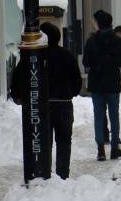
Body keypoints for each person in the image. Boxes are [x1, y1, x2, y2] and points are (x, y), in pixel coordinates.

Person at [11, 22, 83, 178]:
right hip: (63, 104)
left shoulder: (33, 56)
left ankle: (45, 173)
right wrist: (70, 92)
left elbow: (18, 78)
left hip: (41, 105)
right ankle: (63, 175)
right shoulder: (67, 55)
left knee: (44, 141)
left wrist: (18, 95)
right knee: (64, 141)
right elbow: (77, 80)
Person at [82, 10, 121, 161]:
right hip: (113, 83)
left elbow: (85, 62)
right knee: (114, 116)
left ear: (98, 24)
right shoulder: (118, 41)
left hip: (96, 84)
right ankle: (114, 148)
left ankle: (101, 149)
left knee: (99, 116)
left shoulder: (91, 41)